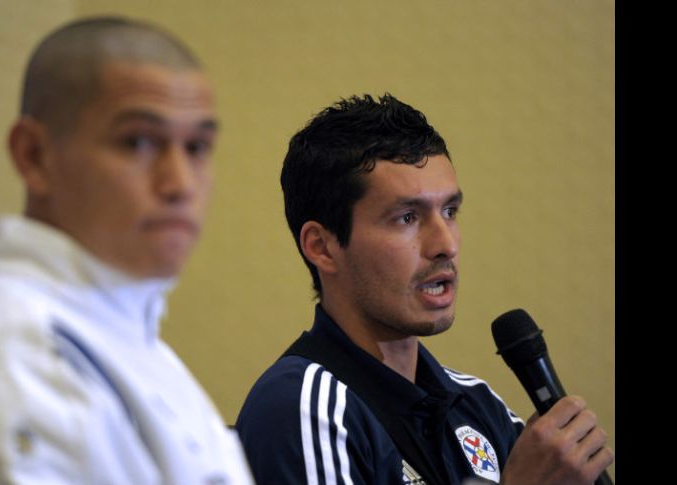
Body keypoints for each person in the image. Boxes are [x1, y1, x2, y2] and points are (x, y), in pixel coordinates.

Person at [234, 94, 613, 485]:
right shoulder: (301, 408)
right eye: (407, 218)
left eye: (450, 211)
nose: (445, 244)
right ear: (322, 247)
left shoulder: (477, 404)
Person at [0, 16, 254, 485]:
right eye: (138, 142)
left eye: (197, 147)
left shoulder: (130, 338)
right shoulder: (21, 357)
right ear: (34, 155)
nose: (180, 184)